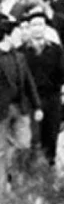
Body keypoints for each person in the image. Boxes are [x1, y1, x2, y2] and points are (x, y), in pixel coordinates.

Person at [19, 10, 64, 166]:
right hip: (31, 100)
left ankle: (49, 166)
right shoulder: (22, 52)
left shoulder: (55, 49)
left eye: (40, 25)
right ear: (29, 28)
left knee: (51, 134)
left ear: (45, 28)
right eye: (33, 25)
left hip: (52, 97)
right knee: (33, 137)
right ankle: (31, 169)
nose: (37, 28)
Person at [0, 17, 41, 192]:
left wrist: (37, 106)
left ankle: (18, 184)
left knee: (24, 145)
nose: (22, 35)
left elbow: (29, 82)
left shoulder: (20, 57)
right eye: (17, 32)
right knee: (1, 150)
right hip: (1, 110)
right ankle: (2, 190)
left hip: (21, 107)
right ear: (7, 36)